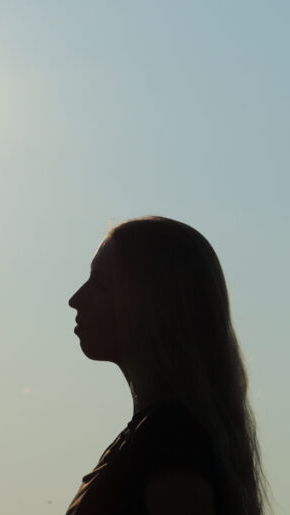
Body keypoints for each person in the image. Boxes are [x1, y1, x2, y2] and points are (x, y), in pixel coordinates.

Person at [66, 216, 266, 515]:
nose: (76, 299)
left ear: (150, 303)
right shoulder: (159, 435)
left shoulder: (169, 437)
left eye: (101, 284)